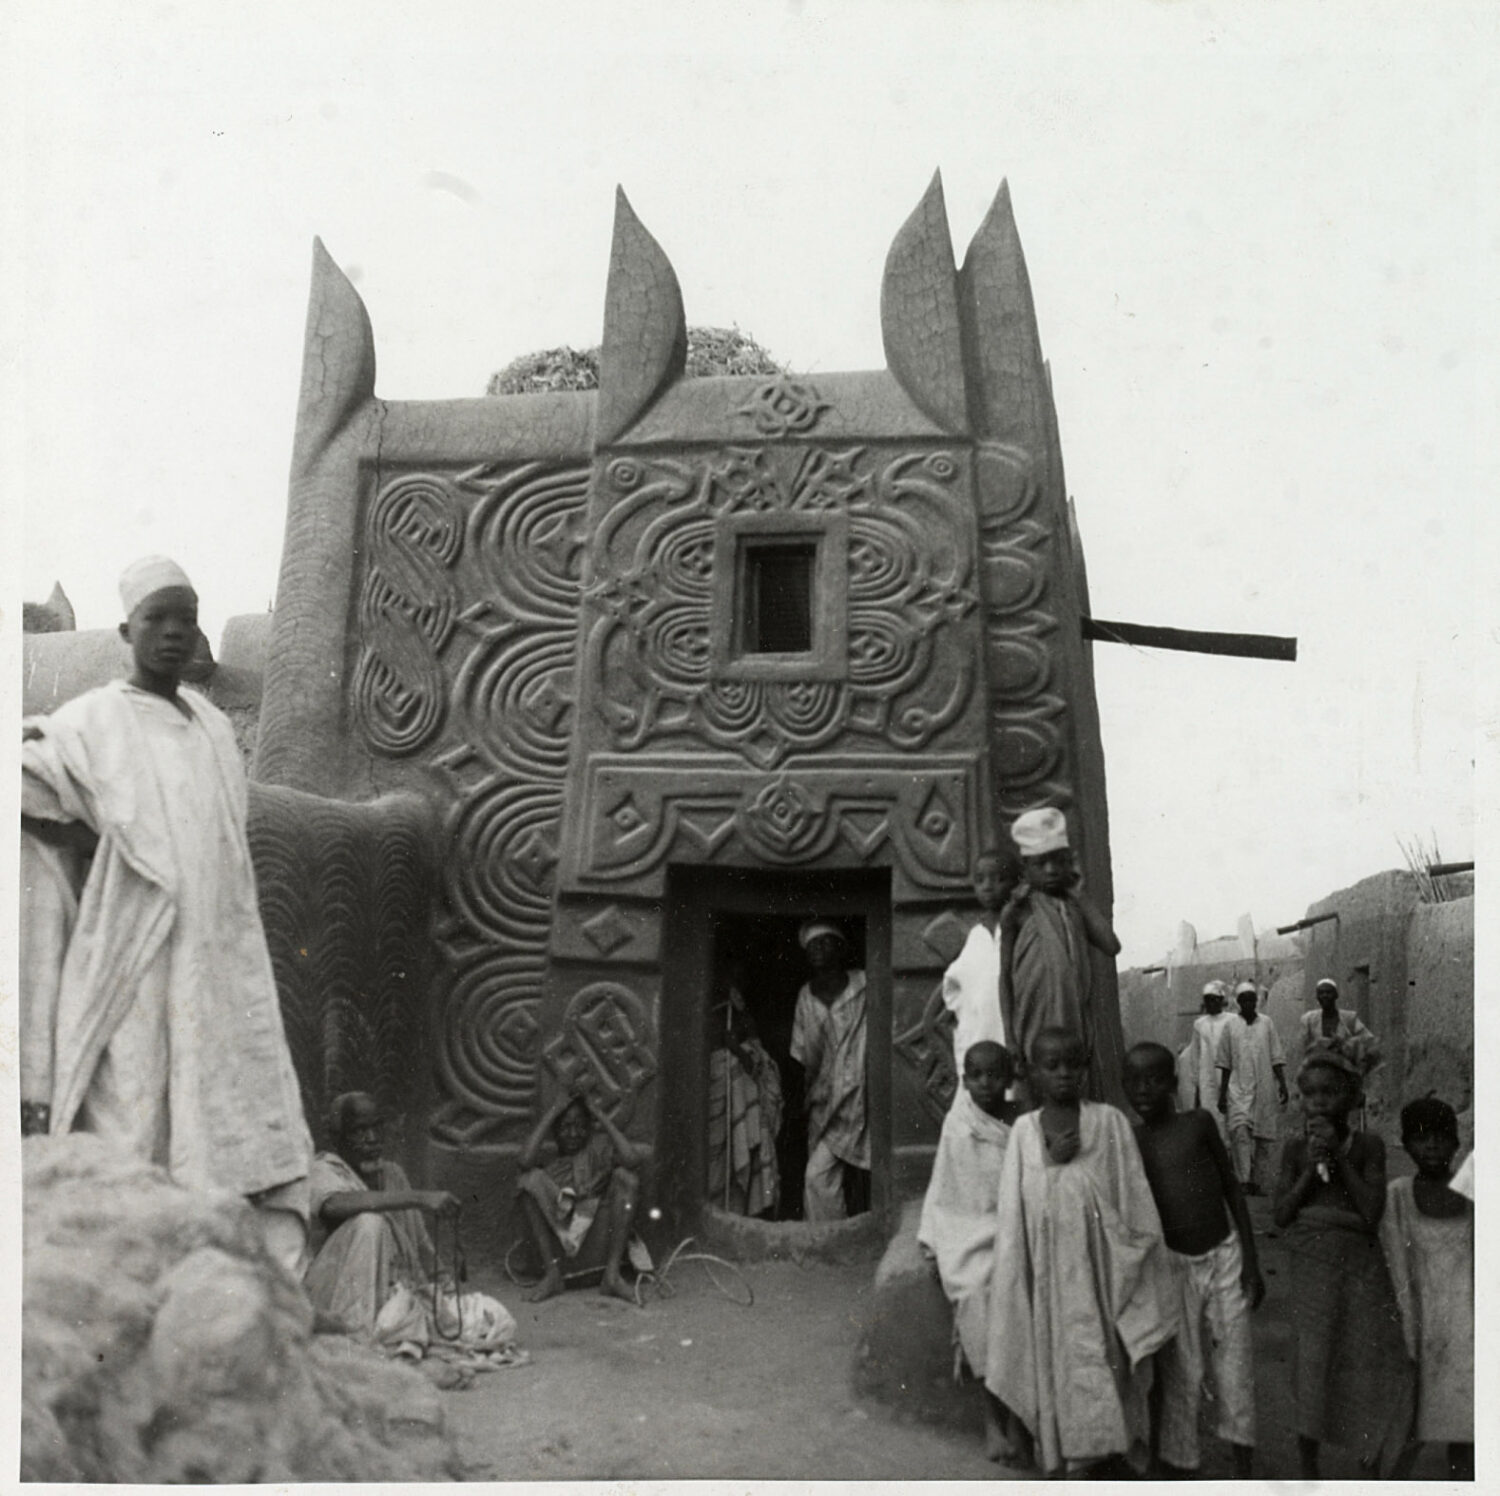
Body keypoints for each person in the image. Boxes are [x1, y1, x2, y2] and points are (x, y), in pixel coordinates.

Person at [20, 557, 311, 1273]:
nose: (176, 632)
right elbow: (31, 783)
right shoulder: (94, 719)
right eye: (159, 618)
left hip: (215, 959)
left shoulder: (212, 726)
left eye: (188, 616)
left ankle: (214, 1276)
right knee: (133, 1109)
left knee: (216, 1113)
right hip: (137, 956)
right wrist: (99, 839)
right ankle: (137, 1278)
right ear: (127, 630)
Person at [984, 1028, 1175, 1477]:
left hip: (1106, 1275)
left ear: (1086, 1067)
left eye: (1073, 1064)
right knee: (1061, 1363)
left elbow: (1133, 1199)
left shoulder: (1109, 1123)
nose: (1064, 1074)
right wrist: (1052, 1167)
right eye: (1051, 1066)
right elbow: (1017, 1217)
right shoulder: (1024, 1135)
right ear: (1031, 1073)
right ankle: (1066, 1452)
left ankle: (1111, 1449)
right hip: (1052, 1279)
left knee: (1109, 1358)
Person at [1272, 1043, 1413, 1479]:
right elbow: (1281, 1213)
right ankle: (1308, 1466)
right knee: (1313, 1362)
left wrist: (1338, 1159)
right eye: (1310, 1093)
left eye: (1329, 1092)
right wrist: (1313, 1171)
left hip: (1358, 1269)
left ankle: (1368, 1461)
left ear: (1349, 1098)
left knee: (1362, 1361)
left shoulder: (1368, 1146)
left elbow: (1371, 1212)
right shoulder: (1296, 1150)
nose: (1319, 1102)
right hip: (1312, 1266)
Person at [1124, 1042, 1261, 1479]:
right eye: (1133, 1081)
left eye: (1154, 1079)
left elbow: (1231, 1191)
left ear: (1173, 1082)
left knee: (1234, 1367)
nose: (1143, 1089)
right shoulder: (1133, 1140)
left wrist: (1252, 1262)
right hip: (1172, 1269)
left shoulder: (1199, 1124)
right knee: (1182, 1372)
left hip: (1223, 1258)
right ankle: (1183, 1468)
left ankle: (1243, 1467)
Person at [917, 1041, 1022, 1464]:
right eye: (975, 1075)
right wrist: (936, 1239)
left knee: (1020, 1298)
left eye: (994, 1075)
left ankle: (1019, 1417)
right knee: (977, 1298)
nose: (985, 1083)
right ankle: (992, 1421)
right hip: (971, 1232)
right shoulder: (959, 1124)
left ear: (1009, 1079)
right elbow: (947, 1188)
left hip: (1014, 1231)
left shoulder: (1022, 1121)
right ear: (963, 1080)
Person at [303, 1092, 460, 1333]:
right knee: (369, 1222)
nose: (372, 1139)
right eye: (359, 1131)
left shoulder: (393, 1174)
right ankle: (355, 1336)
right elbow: (334, 1205)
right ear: (337, 1138)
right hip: (331, 1301)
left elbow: (420, 1245)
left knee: (483, 1318)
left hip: (389, 1293)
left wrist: (445, 1291)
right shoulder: (324, 1169)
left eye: (377, 1128)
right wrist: (420, 1198)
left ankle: (381, 1329)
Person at [1380, 1097, 1473, 1481]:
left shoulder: (1472, 1193)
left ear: (1455, 1144)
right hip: (1420, 1324)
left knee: (1466, 1425)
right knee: (1406, 1426)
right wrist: (1405, 1331)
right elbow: (1394, 1262)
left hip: (1466, 1327)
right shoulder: (1399, 1194)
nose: (1432, 1146)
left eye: (1441, 1137)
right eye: (1421, 1138)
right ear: (1406, 1143)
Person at [1002, 807, 1121, 1102]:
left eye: (1059, 861)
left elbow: (1111, 945)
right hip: (1034, 1026)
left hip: (1075, 1023)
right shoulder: (1018, 911)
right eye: (1041, 863)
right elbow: (1004, 978)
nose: (1052, 870)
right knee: (1039, 1094)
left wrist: (1079, 894)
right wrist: (1010, 1038)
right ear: (1026, 868)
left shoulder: (1074, 907)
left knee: (1079, 1092)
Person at [517, 1087, 647, 1302]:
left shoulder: (598, 1151)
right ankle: (552, 1275)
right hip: (565, 1261)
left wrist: (598, 1113)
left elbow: (632, 1160)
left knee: (627, 1178)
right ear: (555, 1131)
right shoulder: (552, 1170)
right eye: (566, 1127)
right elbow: (524, 1162)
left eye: (580, 1127)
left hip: (598, 1255)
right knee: (527, 1181)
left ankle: (612, 1276)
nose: (573, 1134)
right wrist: (553, 1112)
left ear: (589, 1129)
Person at [789, 921, 869, 1220]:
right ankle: (829, 1239)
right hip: (823, 1100)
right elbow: (801, 1055)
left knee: (840, 1176)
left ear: (841, 948)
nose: (818, 948)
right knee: (818, 1177)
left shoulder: (864, 984)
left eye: (826, 941)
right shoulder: (805, 997)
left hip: (861, 1099)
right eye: (812, 945)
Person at [939, 849, 1022, 1108]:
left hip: (1013, 1043)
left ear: (1016, 884)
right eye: (980, 879)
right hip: (976, 1042)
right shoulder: (975, 936)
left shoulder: (1022, 931)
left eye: (998, 879)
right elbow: (952, 989)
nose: (988, 887)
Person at [707, 967, 783, 1218]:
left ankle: (738, 1218)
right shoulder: (708, 1016)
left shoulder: (743, 1019)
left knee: (740, 1156)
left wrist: (736, 1051)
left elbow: (757, 1066)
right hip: (714, 1104)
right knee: (715, 1160)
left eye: (737, 984)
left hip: (741, 1104)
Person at [1214, 981, 1287, 1195]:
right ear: (1238, 1002)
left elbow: (1276, 1055)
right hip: (1238, 1089)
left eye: (1251, 999)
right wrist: (1222, 1093)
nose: (1248, 1003)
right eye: (1243, 999)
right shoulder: (1230, 1026)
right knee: (1240, 1132)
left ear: (1256, 1002)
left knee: (1263, 1138)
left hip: (1264, 1087)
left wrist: (1282, 1083)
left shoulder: (1267, 1023)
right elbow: (1225, 1062)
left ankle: (1258, 1181)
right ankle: (1243, 1180)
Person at [1177, 980, 1235, 1138]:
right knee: (1213, 1114)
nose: (1211, 1003)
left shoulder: (1232, 1020)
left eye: (1214, 999)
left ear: (1221, 1000)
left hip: (1229, 1076)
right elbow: (1195, 1054)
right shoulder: (1199, 1024)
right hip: (1207, 1077)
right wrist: (1196, 1081)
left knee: (1233, 1116)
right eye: (1207, 999)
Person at [1299, 977, 1381, 1074]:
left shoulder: (1349, 1018)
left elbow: (1368, 1040)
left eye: (1328, 992)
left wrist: (1346, 1044)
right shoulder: (1308, 1019)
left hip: (1344, 1071)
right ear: (1317, 996)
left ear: (1336, 995)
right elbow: (1304, 1047)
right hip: (1318, 1069)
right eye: (1321, 993)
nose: (1324, 995)